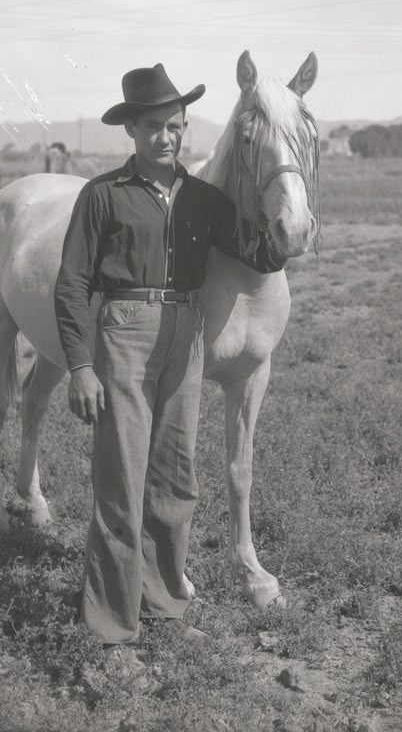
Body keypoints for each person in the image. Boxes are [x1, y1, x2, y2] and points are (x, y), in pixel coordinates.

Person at [53, 63, 285, 654]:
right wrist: (80, 365)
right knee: (121, 485)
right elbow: (73, 284)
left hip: (188, 329)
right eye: (155, 126)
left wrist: (292, 209)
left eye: (177, 126)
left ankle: (164, 607)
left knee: (173, 482)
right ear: (131, 129)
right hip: (126, 330)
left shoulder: (203, 199)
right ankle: (111, 631)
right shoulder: (102, 195)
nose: (168, 137)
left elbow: (257, 249)